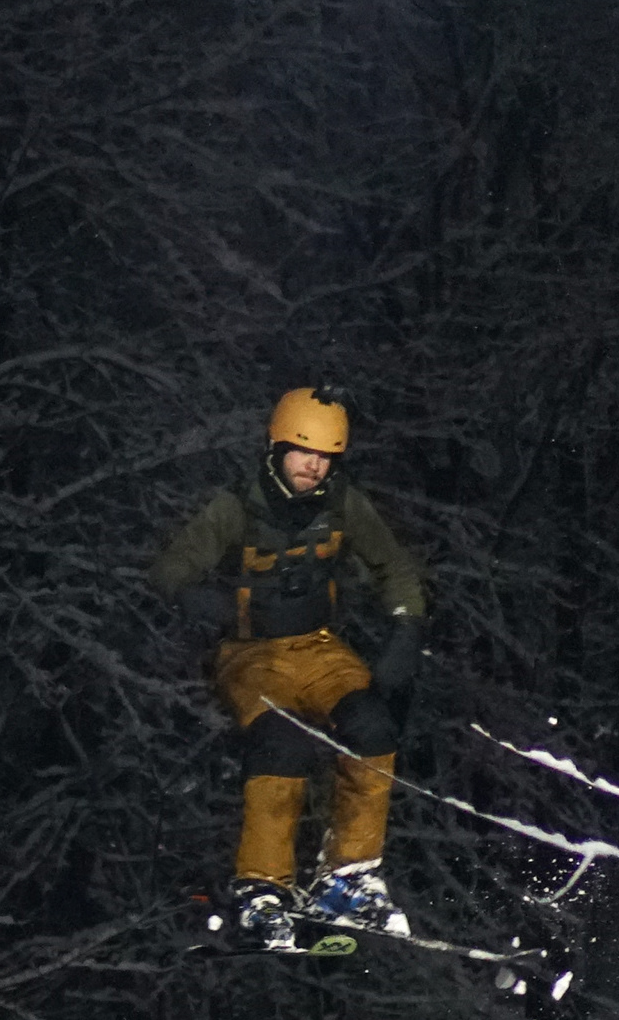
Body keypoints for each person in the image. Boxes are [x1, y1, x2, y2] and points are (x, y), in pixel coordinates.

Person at [147, 386, 428, 950]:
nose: (312, 467)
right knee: (282, 742)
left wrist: (406, 625)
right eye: (302, 453)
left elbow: (392, 564)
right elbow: (171, 568)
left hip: (318, 646)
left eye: (325, 457)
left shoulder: (342, 504)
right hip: (252, 655)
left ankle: (349, 877)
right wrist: (201, 600)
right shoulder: (237, 506)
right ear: (276, 449)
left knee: (373, 725)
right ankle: (263, 888)